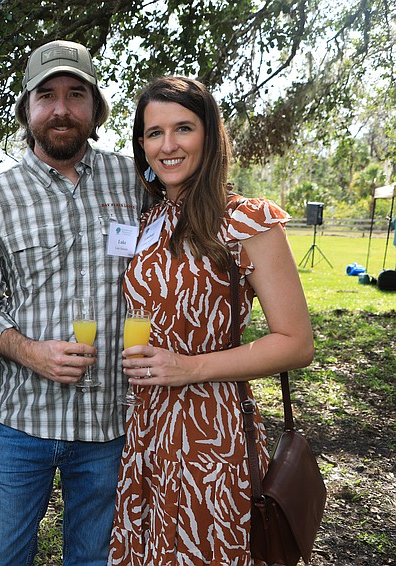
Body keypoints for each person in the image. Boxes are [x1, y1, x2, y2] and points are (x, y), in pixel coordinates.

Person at [108, 76, 315, 564]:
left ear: (209, 135)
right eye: (154, 133)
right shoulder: (146, 222)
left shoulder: (246, 221)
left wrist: (189, 367)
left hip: (212, 429)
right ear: (142, 146)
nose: (168, 145)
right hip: (147, 426)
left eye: (183, 128)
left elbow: (297, 342)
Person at [0, 40, 149, 565]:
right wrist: (31, 352)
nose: (61, 109)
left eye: (75, 94)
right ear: (26, 108)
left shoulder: (136, 182)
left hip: (112, 422)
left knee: (96, 560)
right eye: (46, 95)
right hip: (22, 422)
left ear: (96, 110)